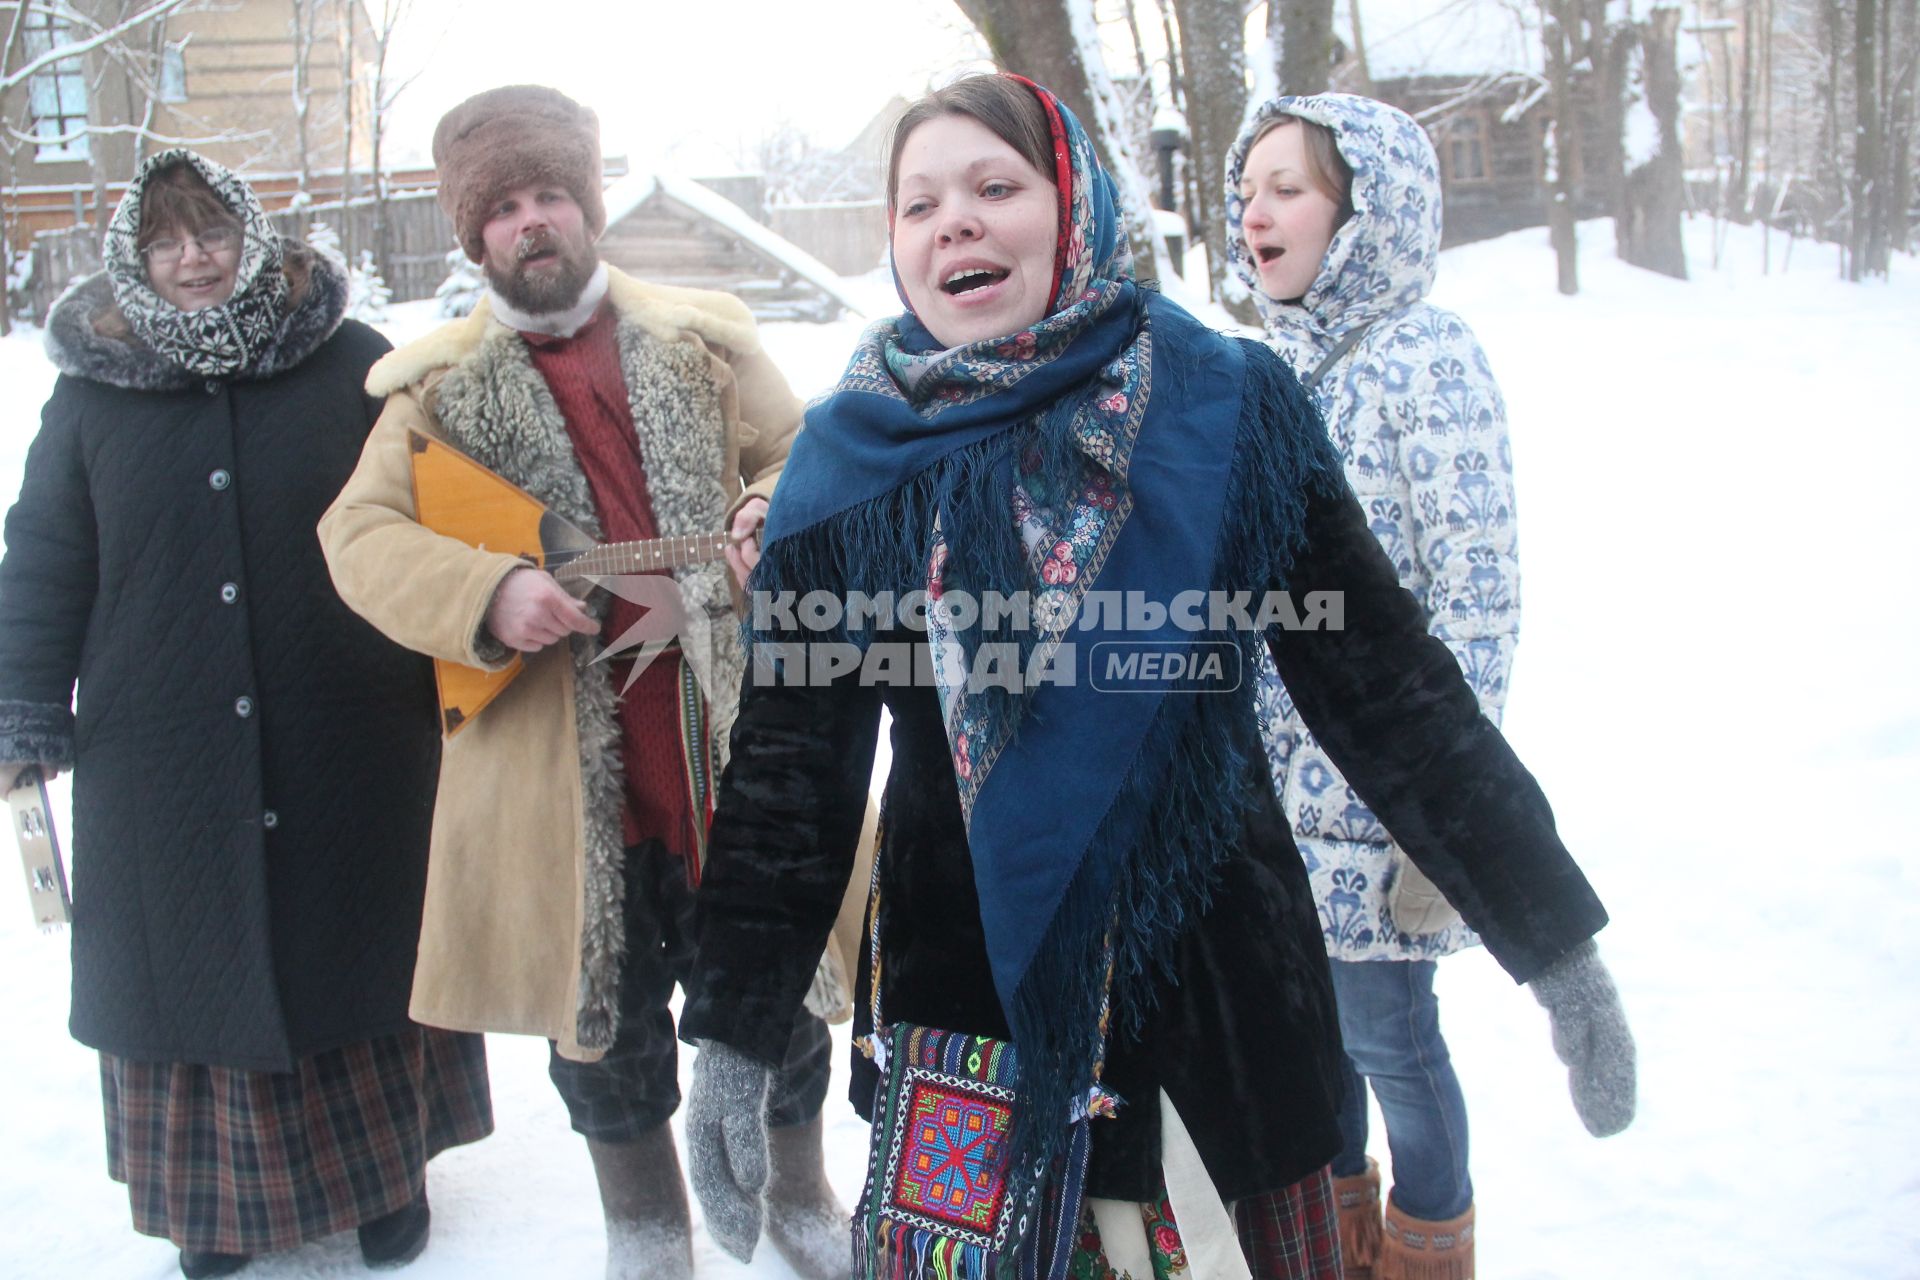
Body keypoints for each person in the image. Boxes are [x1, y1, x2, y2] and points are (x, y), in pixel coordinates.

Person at [677, 73, 1636, 1280]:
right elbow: (787, 779)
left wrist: (1552, 936)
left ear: (1075, 206)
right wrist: (731, 1031)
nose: (952, 223)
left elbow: (1387, 685)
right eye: (918, 204)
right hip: (970, 1022)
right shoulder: (849, 462)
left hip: (1220, 1005)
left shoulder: (1228, 410)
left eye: (994, 186)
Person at [317, 85, 848, 1280]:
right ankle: (648, 1233)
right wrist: (487, 592)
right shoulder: (433, 392)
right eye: (503, 207)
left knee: (775, 988)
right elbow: (358, 537)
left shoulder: (704, 340)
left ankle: (806, 1195)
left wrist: (768, 506)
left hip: (726, 753)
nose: (532, 221)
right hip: (562, 784)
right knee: (599, 1042)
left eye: (551, 193)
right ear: (475, 235)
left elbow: (803, 446)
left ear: (589, 205)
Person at [0, 150, 492, 1279]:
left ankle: (389, 1179)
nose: (194, 258)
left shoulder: (353, 364)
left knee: (363, 951)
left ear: (251, 236)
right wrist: (24, 707)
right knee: (194, 970)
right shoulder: (89, 397)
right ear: (136, 253)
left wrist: (473, 652)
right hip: (160, 746)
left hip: (351, 724)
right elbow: (44, 560)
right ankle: (211, 1207)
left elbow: (442, 512)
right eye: (167, 240)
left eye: (212, 232)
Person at [1226, 94, 1545, 1279]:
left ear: (1369, 213)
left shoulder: (1431, 357)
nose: (1256, 210)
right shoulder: (1264, 366)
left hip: (1379, 793)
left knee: (1389, 1036)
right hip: (1268, 795)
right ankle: (1338, 1244)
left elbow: (1476, 594)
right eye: (1246, 187)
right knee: (1311, 1044)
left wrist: (1441, 806)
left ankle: (1427, 1245)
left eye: (1289, 186)